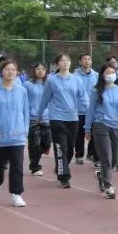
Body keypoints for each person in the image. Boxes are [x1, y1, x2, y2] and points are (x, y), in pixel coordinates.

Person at [37, 53, 87, 189]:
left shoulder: (76, 80)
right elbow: (45, 98)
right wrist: (40, 114)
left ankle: (60, 167)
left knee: (70, 149)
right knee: (61, 147)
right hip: (57, 118)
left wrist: (89, 111)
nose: (65, 63)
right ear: (57, 64)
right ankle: (64, 177)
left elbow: (83, 97)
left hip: (73, 118)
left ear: (70, 63)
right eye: (62, 61)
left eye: (67, 61)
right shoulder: (51, 80)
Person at [0, 58, 28, 206]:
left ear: (17, 73)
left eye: (13, 70)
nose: (10, 72)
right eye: (7, 69)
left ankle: (16, 194)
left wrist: (25, 129)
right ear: (1, 72)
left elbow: (25, 112)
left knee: (17, 166)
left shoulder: (22, 91)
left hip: (17, 135)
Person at [85, 63, 118, 200]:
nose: (111, 75)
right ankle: (108, 186)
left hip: (116, 126)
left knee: (115, 159)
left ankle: (102, 176)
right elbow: (91, 111)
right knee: (106, 157)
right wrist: (87, 129)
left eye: (113, 72)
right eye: (108, 73)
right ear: (102, 75)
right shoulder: (97, 91)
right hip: (101, 125)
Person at [24, 63, 52, 176]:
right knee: (34, 144)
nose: (40, 71)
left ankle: (39, 153)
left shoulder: (49, 84)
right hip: (33, 118)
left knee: (47, 143)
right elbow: (24, 101)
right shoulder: (27, 85)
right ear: (34, 71)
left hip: (47, 118)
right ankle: (35, 167)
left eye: (43, 69)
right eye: (38, 69)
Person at [73, 53, 100, 165]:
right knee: (79, 135)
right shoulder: (74, 76)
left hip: (93, 111)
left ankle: (91, 153)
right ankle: (79, 155)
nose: (87, 61)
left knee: (95, 134)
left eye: (89, 59)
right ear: (80, 62)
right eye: (84, 59)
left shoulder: (97, 76)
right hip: (79, 111)